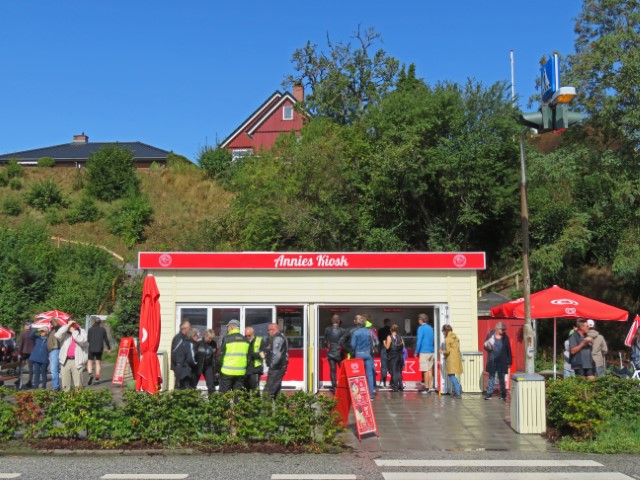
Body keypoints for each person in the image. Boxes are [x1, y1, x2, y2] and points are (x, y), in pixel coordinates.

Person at [55, 320, 89, 390]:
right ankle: (66, 399)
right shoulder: (65, 334)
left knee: (78, 385)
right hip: (65, 361)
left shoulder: (82, 332)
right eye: (70, 324)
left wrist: (74, 332)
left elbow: (82, 340)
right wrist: (66, 326)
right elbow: (57, 335)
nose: (72, 325)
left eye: (73, 323)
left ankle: (79, 399)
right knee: (65, 385)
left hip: (77, 361)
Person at [218, 319, 250, 393]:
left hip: (227, 371)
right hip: (241, 372)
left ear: (231, 327)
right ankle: (237, 405)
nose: (227, 329)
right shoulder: (245, 340)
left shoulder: (227, 338)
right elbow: (249, 358)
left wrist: (218, 368)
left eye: (228, 327)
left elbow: (221, 356)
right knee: (238, 395)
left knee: (225, 395)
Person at [484, 321, 512, 400]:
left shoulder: (506, 338)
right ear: (497, 328)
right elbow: (485, 346)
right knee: (491, 377)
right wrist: (488, 348)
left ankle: (503, 395)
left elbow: (508, 349)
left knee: (501, 378)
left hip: (502, 361)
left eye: (504, 330)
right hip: (492, 360)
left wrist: (509, 361)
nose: (503, 331)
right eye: (502, 329)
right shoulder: (490, 335)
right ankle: (489, 394)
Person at [350, 315, 377, 398]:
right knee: (369, 374)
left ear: (358, 323)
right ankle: (371, 394)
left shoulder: (356, 332)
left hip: (358, 355)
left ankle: (358, 393)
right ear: (365, 323)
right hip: (368, 354)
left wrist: (354, 351)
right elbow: (377, 342)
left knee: (357, 374)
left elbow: (352, 345)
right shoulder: (370, 331)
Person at [265, 322, 289, 397]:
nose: (268, 332)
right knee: (276, 389)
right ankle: (277, 406)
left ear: (273, 330)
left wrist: (272, 365)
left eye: (268, 330)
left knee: (269, 390)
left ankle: (266, 407)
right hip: (280, 367)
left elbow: (277, 355)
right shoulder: (282, 336)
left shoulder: (278, 338)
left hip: (276, 368)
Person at [440, 324, 463, 399]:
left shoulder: (447, 339)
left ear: (445, 331)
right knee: (452, 374)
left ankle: (458, 392)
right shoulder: (455, 337)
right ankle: (458, 389)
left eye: (443, 331)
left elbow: (448, 351)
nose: (442, 333)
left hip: (451, 359)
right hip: (457, 358)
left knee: (451, 375)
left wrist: (442, 351)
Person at [87, 318, 111, 385]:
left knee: (90, 362)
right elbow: (106, 340)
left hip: (91, 348)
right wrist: (109, 348)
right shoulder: (103, 330)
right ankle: (97, 379)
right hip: (99, 348)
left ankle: (90, 374)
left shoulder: (90, 330)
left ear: (94, 322)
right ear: (100, 323)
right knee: (98, 363)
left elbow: (88, 340)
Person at [415, 313, 435, 393]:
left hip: (424, 351)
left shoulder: (421, 328)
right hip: (431, 351)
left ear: (420, 320)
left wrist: (416, 351)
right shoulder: (430, 328)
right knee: (429, 370)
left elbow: (419, 341)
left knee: (425, 370)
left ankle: (426, 388)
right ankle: (429, 387)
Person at [324, 315, 345, 392]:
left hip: (331, 353)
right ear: (339, 321)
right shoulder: (343, 330)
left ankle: (334, 387)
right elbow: (344, 342)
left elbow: (325, 341)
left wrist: (327, 348)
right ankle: (344, 385)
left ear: (332, 321)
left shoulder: (327, 329)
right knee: (343, 370)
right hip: (339, 353)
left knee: (332, 370)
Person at [383, 324, 405, 392]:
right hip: (400, 356)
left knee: (394, 372)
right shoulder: (400, 337)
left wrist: (384, 343)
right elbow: (403, 346)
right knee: (398, 371)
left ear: (390, 330)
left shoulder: (389, 337)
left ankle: (395, 387)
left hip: (393, 356)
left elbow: (387, 347)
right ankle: (400, 386)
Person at [196, 329, 218, 394]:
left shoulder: (213, 343)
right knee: (193, 385)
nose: (210, 340)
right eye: (209, 338)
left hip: (208, 366)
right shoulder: (198, 342)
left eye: (212, 338)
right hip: (198, 366)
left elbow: (214, 356)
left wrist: (215, 368)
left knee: (211, 386)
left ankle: (212, 401)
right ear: (205, 335)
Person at [171, 321, 191, 389]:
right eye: (189, 327)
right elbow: (177, 354)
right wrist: (178, 367)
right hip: (180, 367)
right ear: (184, 329)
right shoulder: (179, 338)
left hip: (185, 367)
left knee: (186, 386)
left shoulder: (186, 338)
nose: (190, 328)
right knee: (179, 387)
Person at [245, 326, 265, 391]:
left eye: (249, 335)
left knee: (255, 389)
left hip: (255, 369)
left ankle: (256, 401)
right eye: (246, 335)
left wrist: (252, 354)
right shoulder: (245, 340)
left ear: (253, 333)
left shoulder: (259, 340)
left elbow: (263, 355)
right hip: (246, 368)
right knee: (245, 389)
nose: (247, 337)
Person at [47, 318, 63, 391]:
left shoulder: (57, 328)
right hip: (52, 350)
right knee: (53, 369)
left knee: (54, 369)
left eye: (51, 322)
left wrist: (52, 319)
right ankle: (56, 386)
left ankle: (56, 387)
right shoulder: (52, 330)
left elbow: (56, 325)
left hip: (55, 349)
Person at [17, 323, 35, 388]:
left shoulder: (23, 334)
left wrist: (19, 353)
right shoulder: (33, 334)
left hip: (24, 352)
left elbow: (21, 344)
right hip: (32, 352)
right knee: (31, 368)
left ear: (25, 327)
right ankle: (30, 381)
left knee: (20, 366)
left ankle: (19, 379)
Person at [377, 318, 392, 388]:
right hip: (391, 350)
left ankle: (383, 381)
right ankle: (393, 381)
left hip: (383, 348)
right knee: (392, 366)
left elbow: (378, 339)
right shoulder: (391, 330)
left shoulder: (380, 330)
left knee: (384, 366)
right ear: (389, 323)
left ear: (384, 323)